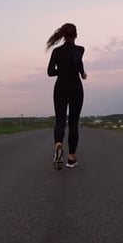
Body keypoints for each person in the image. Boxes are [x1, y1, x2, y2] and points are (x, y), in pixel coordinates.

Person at [46, 23, 87, 170]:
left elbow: (50, 72)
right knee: (73, 124)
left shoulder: (56, 52)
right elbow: (78, 64)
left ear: (63, 35)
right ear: (76, 35)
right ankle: (71, 159)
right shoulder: (80, 50)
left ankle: (58, 145)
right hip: (76, 88)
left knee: (60, 120)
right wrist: (82, 74)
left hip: (60, 88)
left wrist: (61, 71)